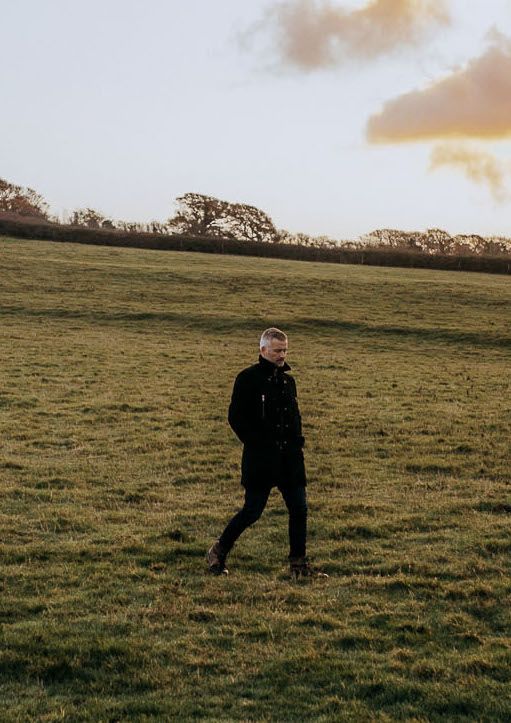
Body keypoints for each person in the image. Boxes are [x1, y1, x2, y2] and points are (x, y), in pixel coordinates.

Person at [206, 327, 327, 578]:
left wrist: (297, 444)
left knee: (299, 509)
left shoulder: (288, 382)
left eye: (285, 350)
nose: (282, 355)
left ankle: (298, 566)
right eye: (277, 350)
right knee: (252, 510)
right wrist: (257, 444)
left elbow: (294, 417)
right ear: (263, 350)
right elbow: (236, 417)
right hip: (261, 460)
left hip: (290, 460)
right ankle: (218, 551)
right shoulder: (247, 379)